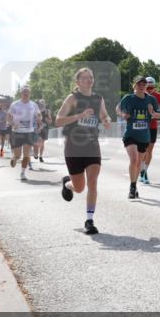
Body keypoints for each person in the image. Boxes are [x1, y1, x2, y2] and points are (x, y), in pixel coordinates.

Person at [57, 67, 111, 234]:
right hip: (73, 147)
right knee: (79, 188)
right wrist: (79, 116)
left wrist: (106, 120)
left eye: (91, 77)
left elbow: (104, 115)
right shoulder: (72, 98)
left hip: (92, 145)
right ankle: (67, 183)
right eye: (85, 78)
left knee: (93, 182)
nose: (89, 80)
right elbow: (58, 120)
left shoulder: (98, 98)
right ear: (78, 82)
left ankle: (89, 220)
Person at [116, 76, 160, 199]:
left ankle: (134, 185)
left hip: (144, 136)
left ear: (146, 86)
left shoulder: (151, 99)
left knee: (138, 164)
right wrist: (123, 114)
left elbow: (159, 114)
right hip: (130, 134)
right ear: (134, 86)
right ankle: (132, 187)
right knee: (134, 160)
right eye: (139, 84)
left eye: (143, 84)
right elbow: (117, 109)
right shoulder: (129, 98)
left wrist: (153, 114)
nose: (141, 86)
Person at [8, 86, 41, 181]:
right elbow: (9, 115)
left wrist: (39, 118)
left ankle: (22, 173)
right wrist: (11, 123)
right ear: (21, 93)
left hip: (29, 132)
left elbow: (38, 114)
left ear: (30, 94)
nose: (26, 94)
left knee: (26, 154)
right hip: (17, 132)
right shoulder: (15, 104)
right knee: (18, 155)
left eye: (27, 92)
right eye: (24, 92)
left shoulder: (33, 105)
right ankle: (14, 158)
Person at [140, 76, 160, 184]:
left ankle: (145, 171)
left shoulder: (158, 95)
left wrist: (158, 114)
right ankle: (141, 170)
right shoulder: (139, 95)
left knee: (149, 151)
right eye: (148, 87)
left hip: (153, 126)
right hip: (141, 126)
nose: (150, 90)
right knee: (142, 151)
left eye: (152, 88)